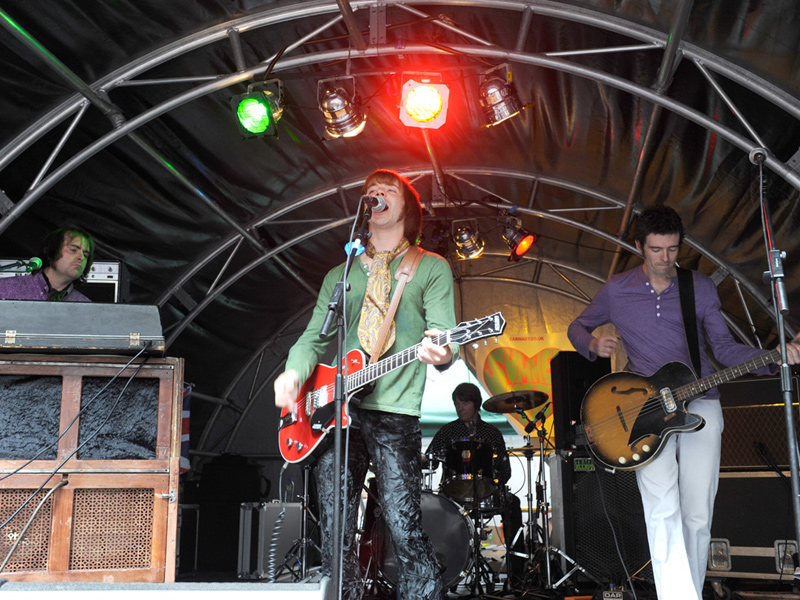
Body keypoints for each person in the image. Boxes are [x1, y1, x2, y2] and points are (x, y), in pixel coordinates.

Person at [567, 206, 800, 599]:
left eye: (672, 249)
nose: (664, 259)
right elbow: (578, 326)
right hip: (644, 412)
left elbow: (723, 349)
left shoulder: (700, 287)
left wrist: (775, 357)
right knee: (661, 509)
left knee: (696, 514)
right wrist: (592, 343)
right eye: (656, 249)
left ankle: (685, 592)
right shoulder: (617, 289)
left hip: (702, 403)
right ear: (639, 245)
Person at [274, 169, 457, 600]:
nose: (376, 195)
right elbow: (313, 339)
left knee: (403, 526)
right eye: (370, 191)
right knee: (335, 532)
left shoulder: (430, 267)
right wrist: (294, 375)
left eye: (388, 190)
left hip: (395, 410)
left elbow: (444, 333)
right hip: (334, 414)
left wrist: (442, 352)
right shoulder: (341, 275)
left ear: (407, 208)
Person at [425, 382, 525, 590]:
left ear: (476, 404)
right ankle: (447, 573)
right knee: (432, 511)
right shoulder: (447, 431)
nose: (459, 408)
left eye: (464, 403)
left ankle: (518, 575)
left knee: (512, 504)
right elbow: (430, 461)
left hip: (486, 493)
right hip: (453, 497)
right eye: (457, 403)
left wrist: (493, 484)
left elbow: (505, 471)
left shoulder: (492, 433)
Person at [0, 226, 94, 302]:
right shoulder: (5, 288)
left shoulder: (84, 304)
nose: (81, 257)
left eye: (85, 255)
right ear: (51, 252)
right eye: (73, 250)